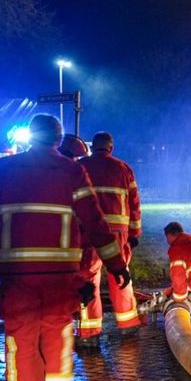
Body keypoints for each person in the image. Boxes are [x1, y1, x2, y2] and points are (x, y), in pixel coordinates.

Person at [0, 114, 130, 381]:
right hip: (60, 276)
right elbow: (95, 222)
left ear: (30, 136)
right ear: (58, 139)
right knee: (57, 338)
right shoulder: (72, 170)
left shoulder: (5, 169)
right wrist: (117, 265)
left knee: (21, 343)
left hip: (17, 275)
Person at [77, 132, 143, 342]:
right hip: (118, 233)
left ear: (92, 147)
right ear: (111, 148)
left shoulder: (82, 166)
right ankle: (128, 324)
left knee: (88, 278)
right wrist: (134, 234)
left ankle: (89, 333)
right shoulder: (123, 168)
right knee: (121, 276)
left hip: (90, 232)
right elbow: (134, 204)